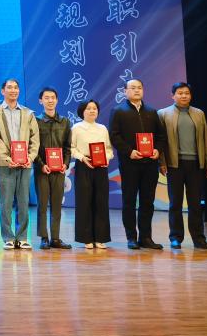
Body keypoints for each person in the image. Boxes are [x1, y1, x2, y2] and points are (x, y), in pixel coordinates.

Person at [109, 78, 167, 250]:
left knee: (147, 202)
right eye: (133, 88)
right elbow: (114, 136)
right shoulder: (118, 111)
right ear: (125, 91)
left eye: (139, 88)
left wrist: (157, 150)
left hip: (150, 164)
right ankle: (131, 237)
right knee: (129, 201)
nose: (136, 90)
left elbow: (161, 136)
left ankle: (146, 237)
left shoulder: (151, 111)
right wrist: (129, 151)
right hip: (130, 164)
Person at [158, 82, 207, 249]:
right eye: (180, 93)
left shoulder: (199, 113)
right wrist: (162, 162)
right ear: (173, 95)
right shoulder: (163, 114)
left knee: (195, 204)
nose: (184, 95)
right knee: (175, 203)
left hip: (196, 165)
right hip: (174, 164)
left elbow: (206, 139)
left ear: (190, 95)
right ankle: (175, 237)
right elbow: (160, 141)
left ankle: (199, 238)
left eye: (187, 93)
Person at [0, 78, 40, 250]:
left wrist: (30, 157)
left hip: (25, 164)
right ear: (3, 91)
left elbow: (35, 138)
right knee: (6, 202)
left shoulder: (28, 113)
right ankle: (8, 237)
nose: (13, 90)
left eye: (16, 87)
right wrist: (6, 157)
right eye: (9, 87)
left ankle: (22, 237)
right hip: (4, 164)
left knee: (23, 201)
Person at [34, 87, 73, 250]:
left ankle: (55, 238)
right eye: (46, 98)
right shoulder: (35, 121)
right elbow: (32, 147)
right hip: (42, 170)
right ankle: (44, 237)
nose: (50, 100)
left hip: (59, 170)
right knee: (42, 205)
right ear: (40, 101)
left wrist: (65, 163)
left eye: (53, 97)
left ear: (57, 100)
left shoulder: (65, 122)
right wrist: (41, 164)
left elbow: (68, 147)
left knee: (56, 204)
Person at [71, 100, 113, 249]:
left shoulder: (102, 128)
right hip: (84, 166)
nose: (92, 111)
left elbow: (109, 149)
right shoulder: (76, 128)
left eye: (94, 108)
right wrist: (82, 157)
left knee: (101, 202)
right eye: (88, 108)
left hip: (101, 167)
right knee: (84, 202)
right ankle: (86, 238)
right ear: (82, 111)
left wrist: (106, 158)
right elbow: (71, 148)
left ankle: (100, 238)